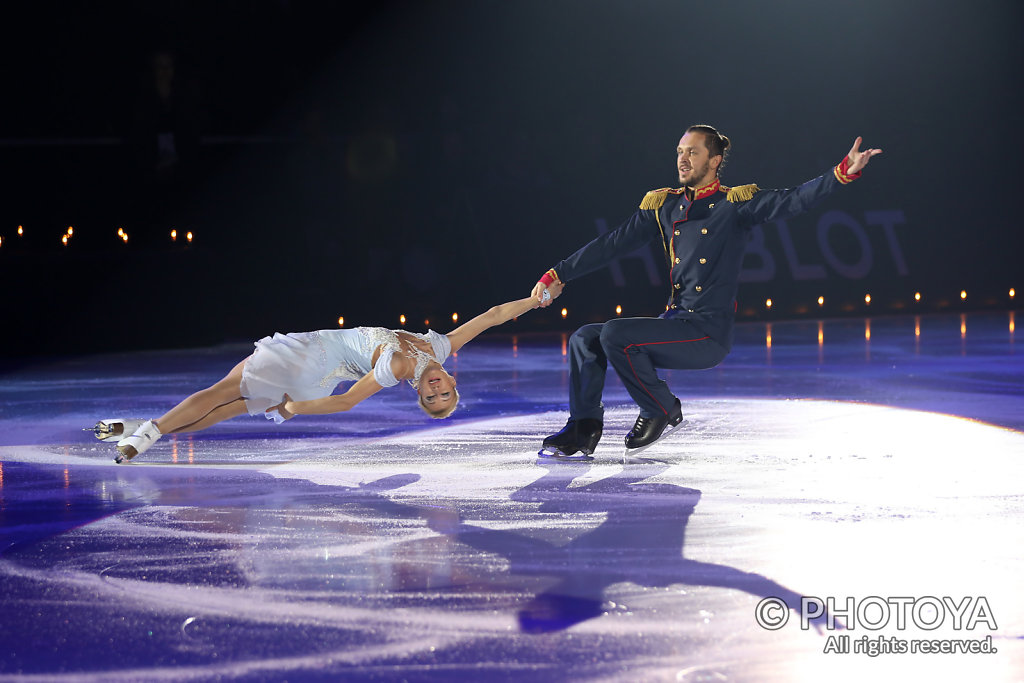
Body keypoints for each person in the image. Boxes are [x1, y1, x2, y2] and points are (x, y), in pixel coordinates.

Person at [531, 124, 882, 458]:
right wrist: (558, 273)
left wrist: (841, 173)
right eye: (680, 152)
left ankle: (661, 408)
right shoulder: (663, 206)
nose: (683, 160)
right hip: (674, 323)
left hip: (707, 334)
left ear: (714, 161)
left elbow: (793, 200)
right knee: (584, 338)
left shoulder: (736, 204)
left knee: (615, 334)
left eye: (693, 153)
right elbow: (611, 245)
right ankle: (583, 428)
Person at [98, 286, 562, 463]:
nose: (437, 391)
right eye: (444, 395)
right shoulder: (441, 346)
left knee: (223, 391)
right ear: (453, 382)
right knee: (234, 407)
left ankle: (149, 433)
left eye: (430, 399)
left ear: (417, 392)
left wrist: (297, 407)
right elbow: (494, 315)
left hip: (310, 358)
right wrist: (537, 298)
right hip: (317, 375)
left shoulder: (399, 366)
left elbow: (345, 403)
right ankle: (146, 428)